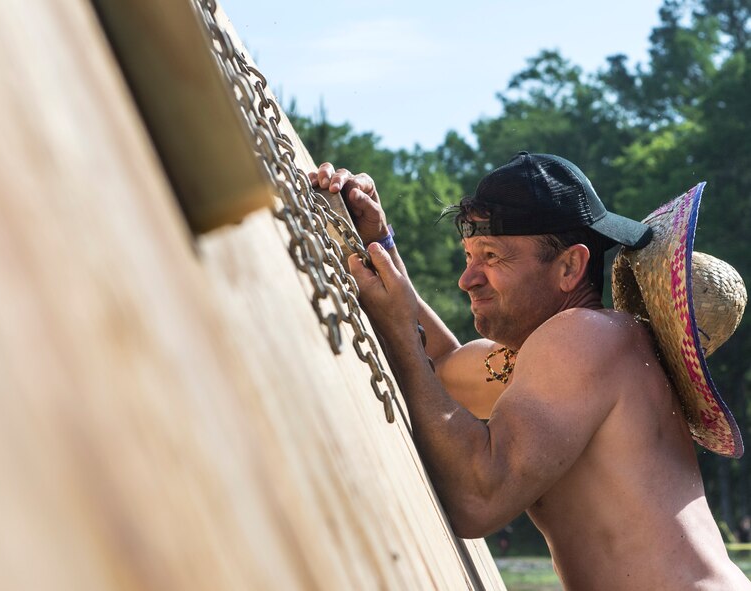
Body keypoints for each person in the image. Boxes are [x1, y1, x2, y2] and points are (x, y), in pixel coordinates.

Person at [310, 152, 751, 590]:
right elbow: (440, 370)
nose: (467, 279)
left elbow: (478, 497)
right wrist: (378, 245)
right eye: (469, 255)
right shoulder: (573, 348)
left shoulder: (585, 336)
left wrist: (401, 331)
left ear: (569, 267)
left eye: (492, 257)